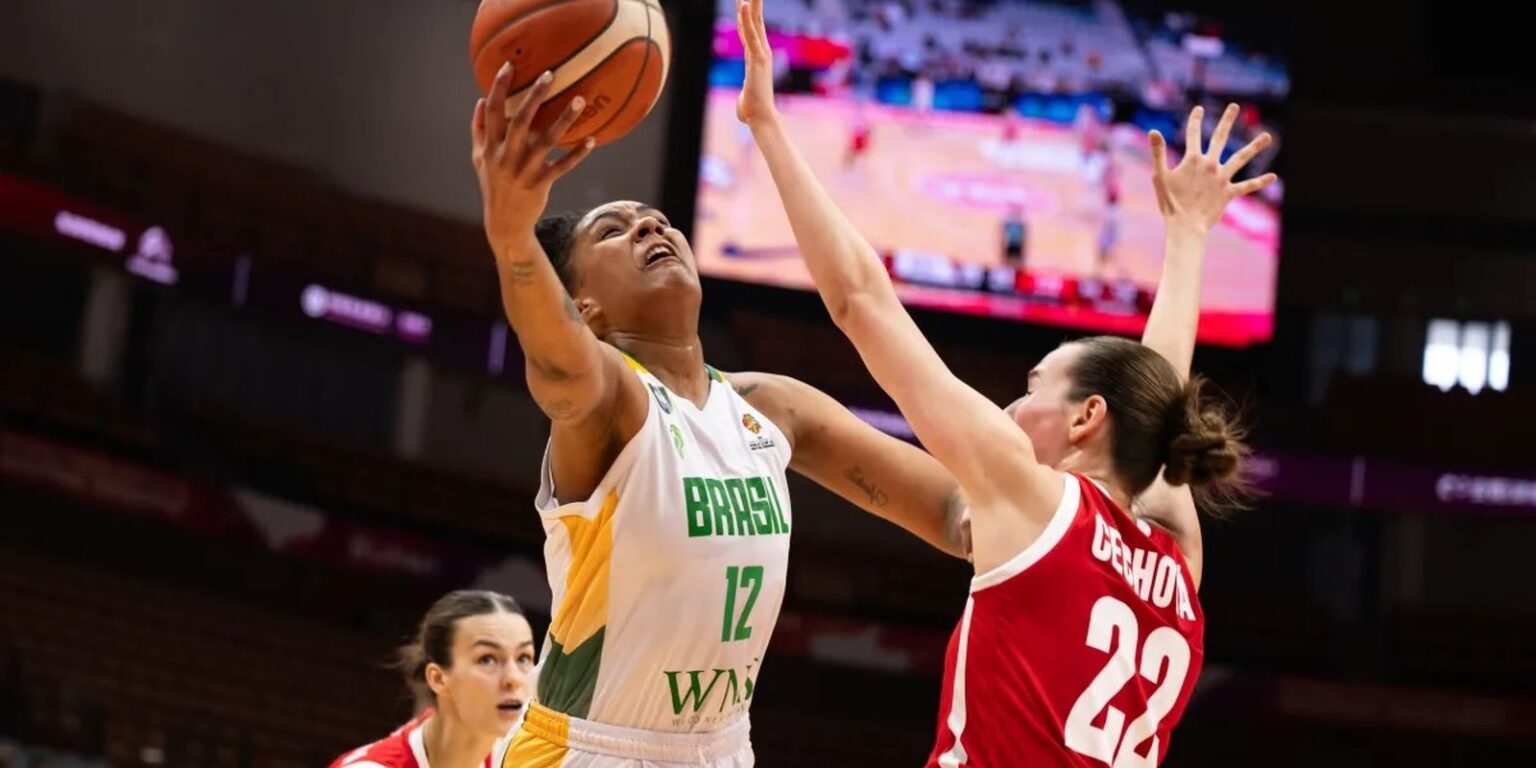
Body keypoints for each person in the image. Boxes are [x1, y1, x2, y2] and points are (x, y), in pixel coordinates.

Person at [735, 0, 1277, 761]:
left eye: (1033, 386)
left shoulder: (1035, 499)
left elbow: (861, 300)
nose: (1011, 405)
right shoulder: (1177, 564)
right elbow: (1159, 393)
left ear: (1087, 418)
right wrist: (1187, 236)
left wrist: (767, 124)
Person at [470, 63, 970, 767]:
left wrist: (1062, 518)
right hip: (590, 751)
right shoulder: (612, 400)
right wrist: (513, 241)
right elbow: (557, 363)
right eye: (615, 231)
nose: (649, 225)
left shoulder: (770, 406)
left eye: (658, 220)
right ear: (584, 309)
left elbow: (955, 514)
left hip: (722, 749)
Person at [329, 591, 535, 768]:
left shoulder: (523, 756)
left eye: (523, 658)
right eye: (487, 659)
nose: (514, 679)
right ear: (438, 679)